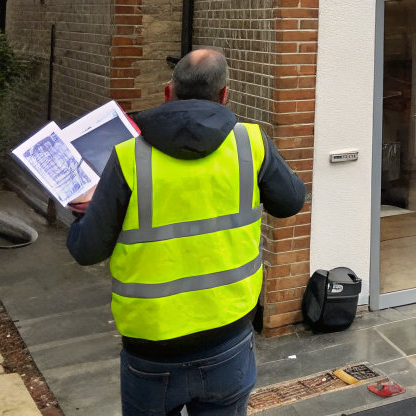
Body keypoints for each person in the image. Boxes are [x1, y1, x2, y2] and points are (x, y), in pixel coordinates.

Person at [67, 48, 306, 416]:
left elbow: (87, 249)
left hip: (151, 350)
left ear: (168, 91)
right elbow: (290, 202)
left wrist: (84, 209)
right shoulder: (251, 143)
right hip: (228, 338)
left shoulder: (128, 157)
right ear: (224, 95)